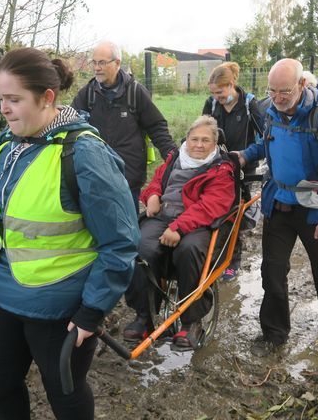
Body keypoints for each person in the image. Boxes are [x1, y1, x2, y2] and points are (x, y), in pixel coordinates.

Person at [0, 48, 139, 420]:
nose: (4, 109)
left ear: (47, 98)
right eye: (0, 98)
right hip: (0, 291)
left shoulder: (84, 154)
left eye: (14, 99)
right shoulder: (5, 146)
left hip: (60, 307)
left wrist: (92, 311)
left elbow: (120, 242)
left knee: (64, 391)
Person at [237, 58, 318, 352]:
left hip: (316, 209)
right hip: (279, 204)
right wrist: (244, 155)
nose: (278, 98)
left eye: (285, 91)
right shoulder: (272, 112)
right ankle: (274, 335)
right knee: (272, 271)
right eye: (272, 91)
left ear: (302, 85)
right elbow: (265, 144)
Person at [123, 116, 237, 351]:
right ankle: (143, 316)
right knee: (139, 248)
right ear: (187, 139)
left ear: (215, 143)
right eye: (194, 138)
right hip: (164, 215)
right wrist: (152, 196)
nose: (198, 144)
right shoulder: (175, 157)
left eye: (205, 140)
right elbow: (157, 182)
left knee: (189, 249)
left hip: (200, 223)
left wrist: (179, 227)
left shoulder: (221, 168)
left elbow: (212, 205)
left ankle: (191, 321)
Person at [72, 41, 176, 213]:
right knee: (100, 223)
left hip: (129, 174)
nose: (96, 68)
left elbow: (156, 126)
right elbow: (72, 126)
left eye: (102, 63)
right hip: (96, 173)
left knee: (129, 225)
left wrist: (172, 155)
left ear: (117, 63)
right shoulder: (87, 94)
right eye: (94, 62)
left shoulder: (135, 92)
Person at [201, 62, 263, 280]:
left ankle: (232, 261)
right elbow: (202, 130)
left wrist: (246, 155)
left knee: (234, 214)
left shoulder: (249, 105)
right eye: (213, 93)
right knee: (212, 211)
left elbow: (265, 137)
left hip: (242, 168)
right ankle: (211, 256)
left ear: (231, 84)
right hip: (216, 168)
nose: (216, 96)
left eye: (220, 92)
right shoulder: (212, 105)